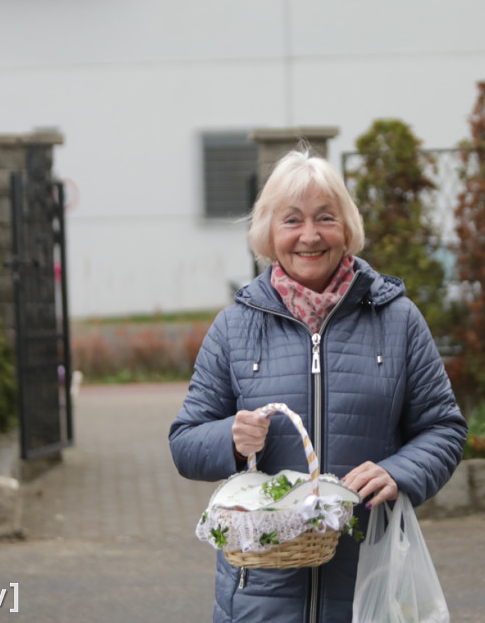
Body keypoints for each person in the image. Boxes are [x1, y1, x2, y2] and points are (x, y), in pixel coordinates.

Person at [169, 148, 467, 623]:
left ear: (347, 228)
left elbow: (444, 428)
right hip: (260, 597)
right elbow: (185, 442)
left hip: (368, 585)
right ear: (268, 233)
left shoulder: (399, 320)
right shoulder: (234, 327)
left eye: (325, 218)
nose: (309, 235)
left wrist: (399, 471)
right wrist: (230, 438)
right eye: (292, 220)